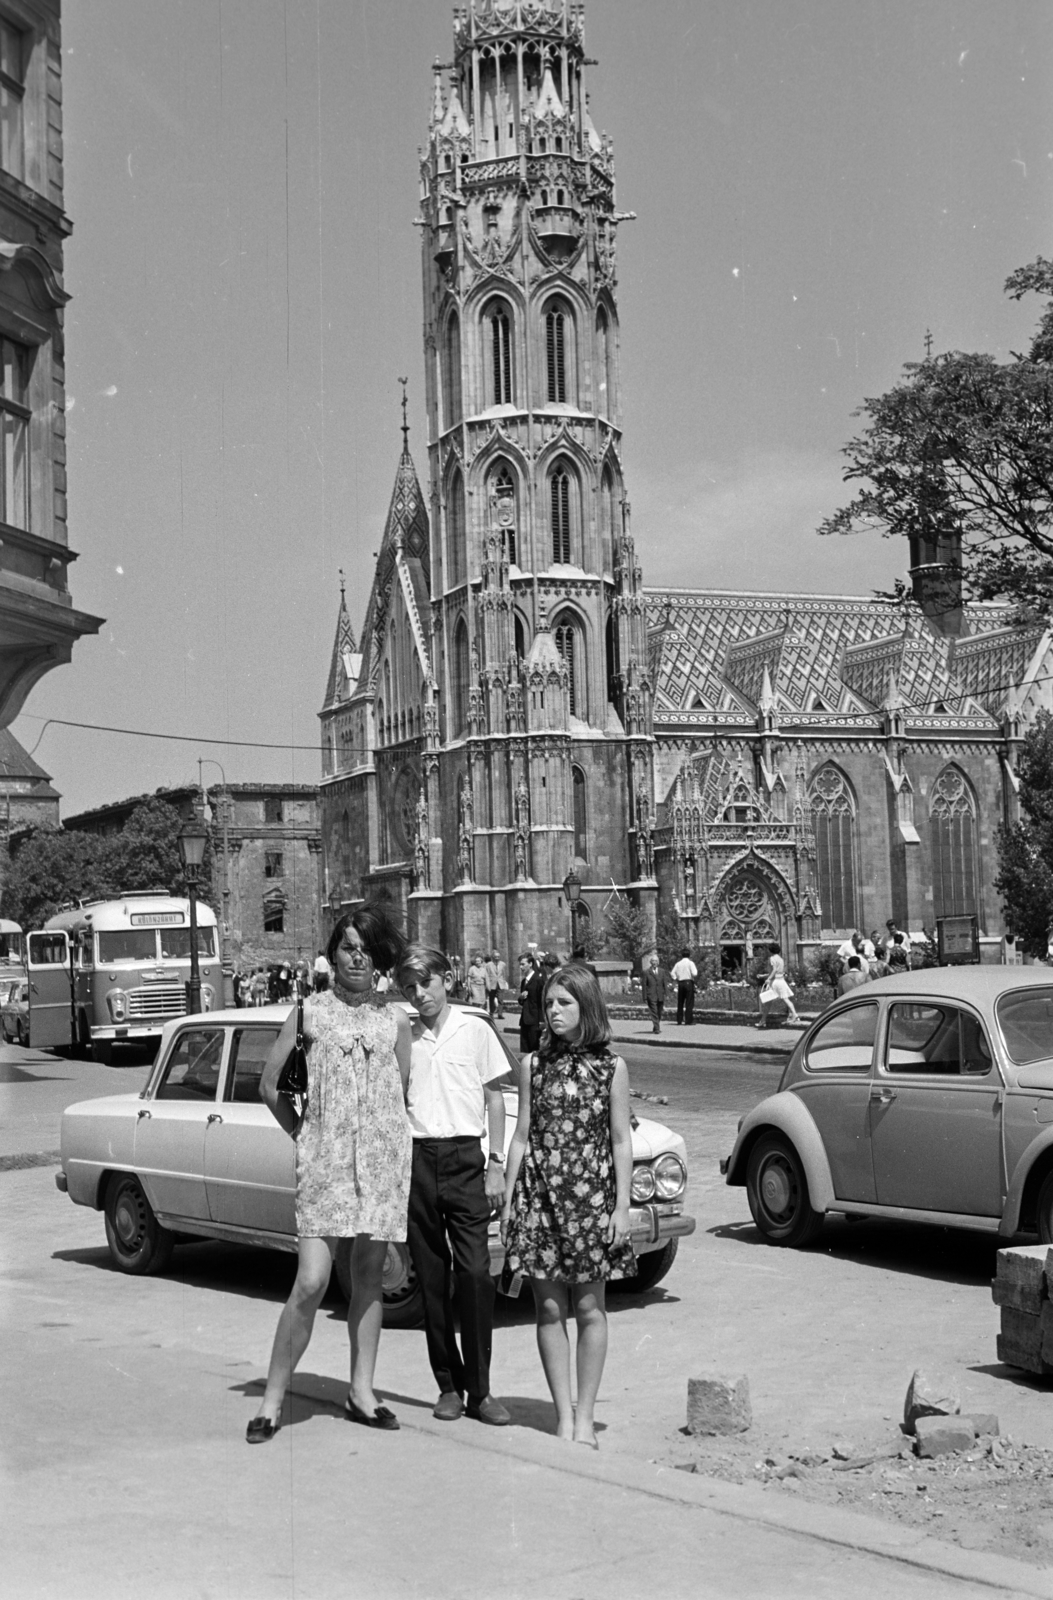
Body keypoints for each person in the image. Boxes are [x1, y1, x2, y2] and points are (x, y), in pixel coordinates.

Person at [248, 903, 411, 1443]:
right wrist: (303, 1134)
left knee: (369, 1277)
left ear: (378, 957)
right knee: (312, 1280)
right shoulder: (309, 1013)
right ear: (333, 955)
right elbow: (270, 1085)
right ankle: (272, 1400)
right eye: (348, 947)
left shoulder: (395, 1019)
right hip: (326, 1165)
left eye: (366, 949)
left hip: (380, 1165)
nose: (357, 958)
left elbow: (398, 1091)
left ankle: (362, 1392)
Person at [501, 962, 634, 1449]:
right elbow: (521, 1135)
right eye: (549, 1004)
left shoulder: (612, 1068)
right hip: (540, 1199)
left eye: (564, 1003)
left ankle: (586, 1417)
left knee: (590, 1306)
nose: (553, 1012)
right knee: (550, 1309)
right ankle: (562, 1415)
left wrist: (622, 1207)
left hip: (591, 1200)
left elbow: (620, 1141)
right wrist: (510, 1201)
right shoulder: (533, 1065)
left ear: (587, 1007)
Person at [396, 945, 511, 1427]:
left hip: (466, 1160)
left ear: (447, 978)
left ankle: (481, 1391)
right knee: (432, 1278)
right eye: (409, 988)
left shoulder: (474, 1029)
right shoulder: (404, 1036)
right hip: (419, 1160)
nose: (419, 994)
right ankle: (448, 1385)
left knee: (476, 1274)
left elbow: (494, 1099)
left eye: (426, 983)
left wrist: (496, 1164)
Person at [757, 951, 801, 1026]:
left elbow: (774, 970)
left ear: (771, 950)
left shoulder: (772, 958)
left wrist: (768, 979)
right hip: (781, 980)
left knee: (769, 1002)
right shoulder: (781, 959)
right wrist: (763, 976)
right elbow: (777, 972)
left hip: (775, 982)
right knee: (784, 999)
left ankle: (763, 1021)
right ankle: (795, 1015)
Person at [519, 953, 544, 1054]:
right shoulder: (524, 981)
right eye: (520, 964)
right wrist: (521, 998)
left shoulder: (538, 980)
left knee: (534, 1051)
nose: (521, 967)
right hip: (525, 1021)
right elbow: (523, 1002)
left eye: (523, 964)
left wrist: (542, 1021)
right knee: (524, 1051)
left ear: (530, 964)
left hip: (535, 1021)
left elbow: (542, 1001)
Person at [642, 953, 670, 1034]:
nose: (654, 963)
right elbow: (644, 985)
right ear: (651, 962)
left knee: (659, 1012)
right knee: (654, 1012)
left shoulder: (662, 971)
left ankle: (655, 1027)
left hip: (660, 995)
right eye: (653, 961)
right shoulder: (646, 972)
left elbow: (665, 983)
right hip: (651, 995)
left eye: (656, 961)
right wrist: (644, 997)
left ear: (658, 962)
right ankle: (657, 1029)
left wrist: (667, 994)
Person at [670, 948, 698, 1026]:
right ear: (689, 955)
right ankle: (688, 1020)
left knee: (680, 1002)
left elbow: (672, 973)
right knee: (689, 1002)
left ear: (682, 955)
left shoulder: (678, 964)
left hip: (681, 982)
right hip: (688, 982)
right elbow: (694, 973)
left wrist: (676, 978)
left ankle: (679, 1019)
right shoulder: (690, 963)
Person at [484, 952, 501, 1018]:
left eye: (498, 957)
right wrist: (487, 983)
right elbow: (486, 974)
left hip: (500, 984)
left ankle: (500, 1014)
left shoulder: (502, 964)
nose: (497, 958)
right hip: (492, 984)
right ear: (493, 957)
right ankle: (491, 1013)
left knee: (500, 999)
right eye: (495, 957)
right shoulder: (488, 965)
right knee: (491, 999)